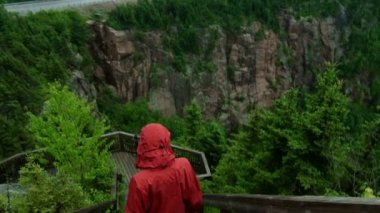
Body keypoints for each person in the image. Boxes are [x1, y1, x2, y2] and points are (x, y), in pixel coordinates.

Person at [125, 123, 203, 213]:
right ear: (165, 141)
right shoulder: (183, 166)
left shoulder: (139, 182)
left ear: (142, 145)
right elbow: (196, 202)